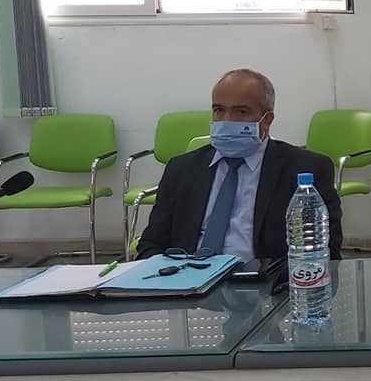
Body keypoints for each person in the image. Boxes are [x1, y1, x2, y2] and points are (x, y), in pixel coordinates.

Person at [138, 69, 343, 260]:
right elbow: (151, 244)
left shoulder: (306, 168)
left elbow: (324, 252)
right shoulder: (182, 168)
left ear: (266, 120)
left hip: (265, 280)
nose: (227, 120)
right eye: (219, 110)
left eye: (241, 112)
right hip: (189, 278)